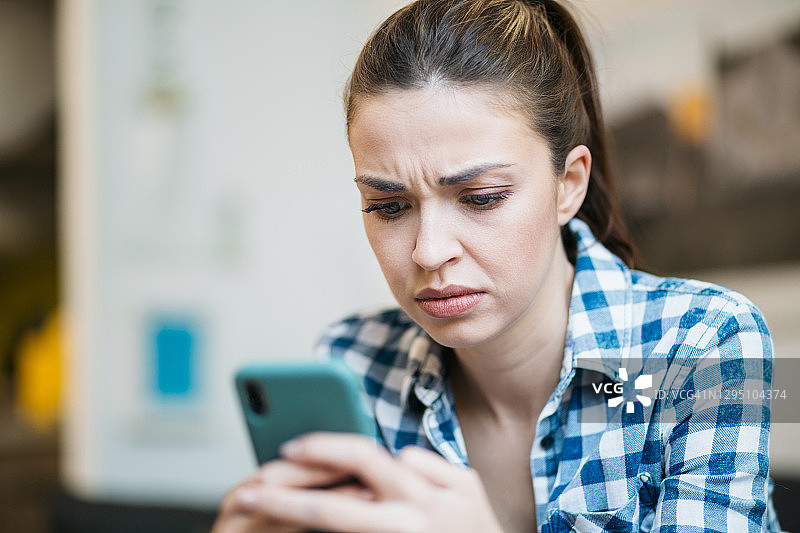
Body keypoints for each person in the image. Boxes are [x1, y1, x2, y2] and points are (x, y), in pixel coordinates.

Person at [212, 0, 785, 531]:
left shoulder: (699, 345)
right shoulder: (355, 365)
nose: (429, 252)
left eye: (481, 197)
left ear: (569, 185)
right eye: (388, 207)